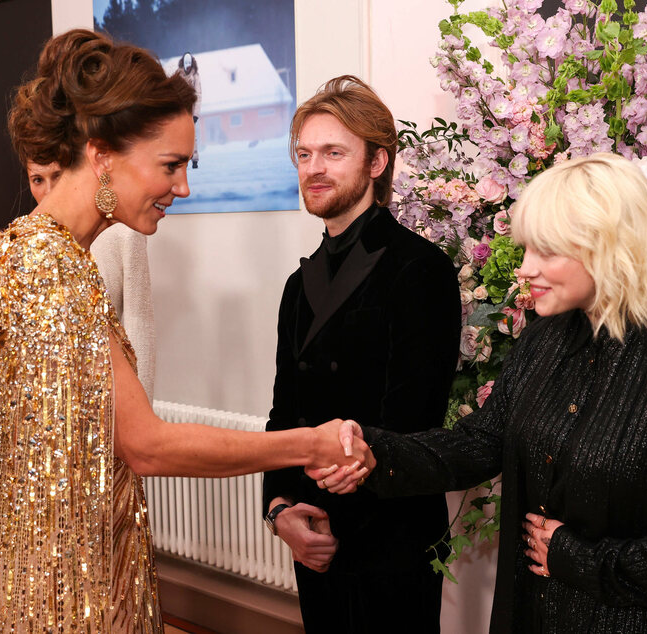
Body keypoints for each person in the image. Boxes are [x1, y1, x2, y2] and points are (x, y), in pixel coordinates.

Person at [0, 29, 369, 634]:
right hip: (67, 586)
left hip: (66, 564)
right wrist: (310, 444)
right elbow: (147, 446)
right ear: (103, 153)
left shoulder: (33, 253)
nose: (183, 188)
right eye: (171, 165)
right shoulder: (47, 266)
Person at [317, 153, 647, 633]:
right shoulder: (545, 337)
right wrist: (374, 452)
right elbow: (482, 441)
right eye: (527, 248)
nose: (524, 269)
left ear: (611, 248)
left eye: (546, 251)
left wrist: (576, 558)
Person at [261, 75, 460, 633]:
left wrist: (329, 514)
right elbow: (282, 416)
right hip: (312, 533)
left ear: (377, 163)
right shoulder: (296, 287)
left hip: (391, 539)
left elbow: (413, 424)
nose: (313, 168)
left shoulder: (421, 270)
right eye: (304, 153)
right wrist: (281, 513)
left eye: (333, 152)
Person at [27, 161, 157, 397]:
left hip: (102, 398)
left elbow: (140, 325)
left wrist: (143, 413)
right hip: (42, 400)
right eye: (37, 180)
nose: (47, 191)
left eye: (57, 176)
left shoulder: (123, 233)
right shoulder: (25, 243)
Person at [175, 52, 200, 168]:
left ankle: (194, 159)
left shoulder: (195, 77)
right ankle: (183, 158)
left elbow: (198, 95)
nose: (188, 67)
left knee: (192, 135)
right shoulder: (178, 76)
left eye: (189, 65)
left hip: (191, 110)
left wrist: (195, 114)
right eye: (186, 65)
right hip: (181, 110)